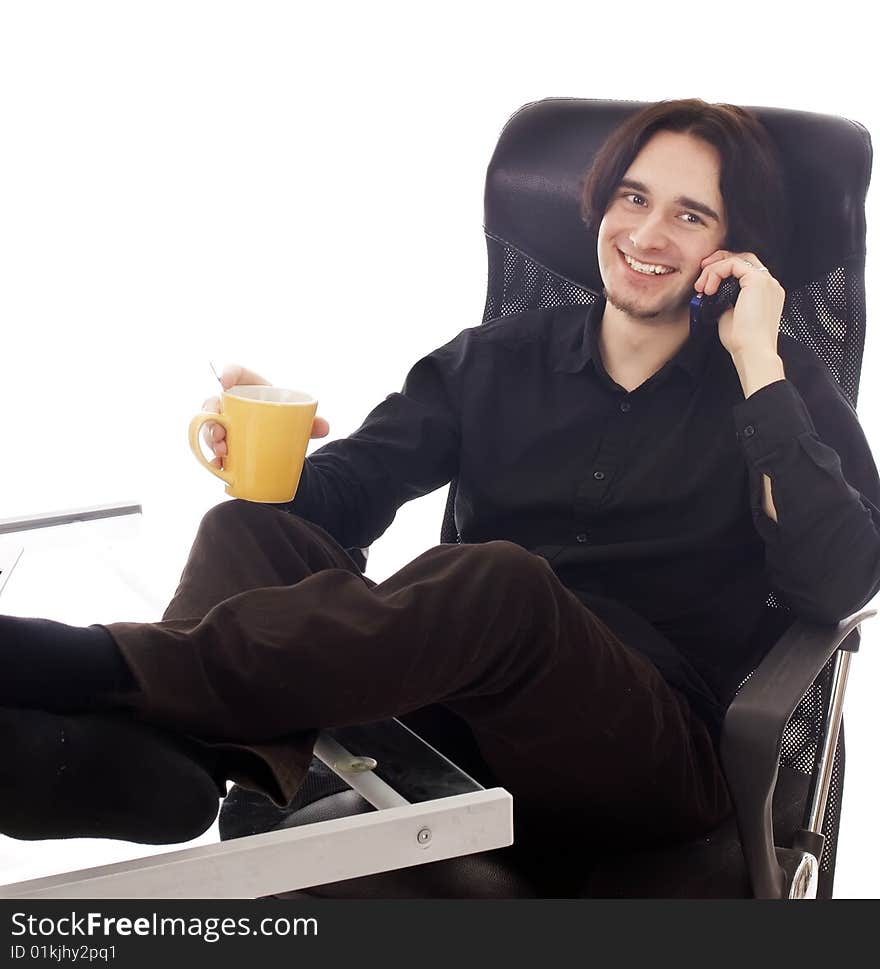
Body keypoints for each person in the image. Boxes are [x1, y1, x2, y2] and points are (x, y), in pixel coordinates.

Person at [2, 98, 878, 860]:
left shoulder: (773, 383)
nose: (648, 235)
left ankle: (80, 661)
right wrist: (265, 455)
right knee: (246, 529)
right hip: (457, 716)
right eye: (633, 197)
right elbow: (343, 495)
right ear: (598, 205)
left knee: (499, 579)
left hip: (646, 758)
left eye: (692, 216)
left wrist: (758, 358)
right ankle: (180, 776)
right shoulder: (493, 361)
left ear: (734, 251)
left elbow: (836, 580)